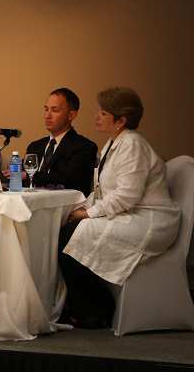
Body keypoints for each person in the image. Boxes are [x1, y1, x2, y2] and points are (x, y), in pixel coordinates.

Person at [61, 87, 181, 328]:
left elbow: (127, 196)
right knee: (67, 232)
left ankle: (97, 310)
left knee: (69, 237)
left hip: (148, 221)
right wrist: (81, 208)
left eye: (103, 113)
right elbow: (103, 191)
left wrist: (87, 213)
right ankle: (83, 307)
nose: (96, 116)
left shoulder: (133, 144)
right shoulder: (113, 143)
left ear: (121, 120)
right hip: (130, 213)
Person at [24, 88, 98, 194]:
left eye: (55, 110)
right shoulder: (35, 146)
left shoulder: (84, 147)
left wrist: (29, 175)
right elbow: (23, 179)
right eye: (46, 109)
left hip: (66, 203)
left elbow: (67, 178)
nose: (47, 116)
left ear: (71, 115)